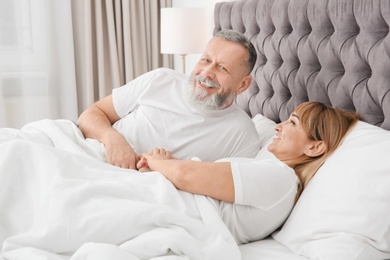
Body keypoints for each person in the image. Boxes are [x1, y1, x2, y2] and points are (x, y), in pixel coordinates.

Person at [137, 102, 360, 244]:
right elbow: (195, 177)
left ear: (314, 147)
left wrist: (157, 162)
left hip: (177, 213)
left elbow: (185, 176)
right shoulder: (269, 170)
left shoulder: (280, 180)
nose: (277, 127)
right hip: (172, 200)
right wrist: (167, 163)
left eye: (292, 122)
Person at [77, 30, 261, 170]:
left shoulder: (242, 134)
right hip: (91, 152)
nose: (206, 73)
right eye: (205, 60)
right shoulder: (161, 79)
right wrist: (113, 141)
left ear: (243, 85)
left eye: (222, 68)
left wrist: (165, 169)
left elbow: (224, 191)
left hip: (137, 188)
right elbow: (90, 115)